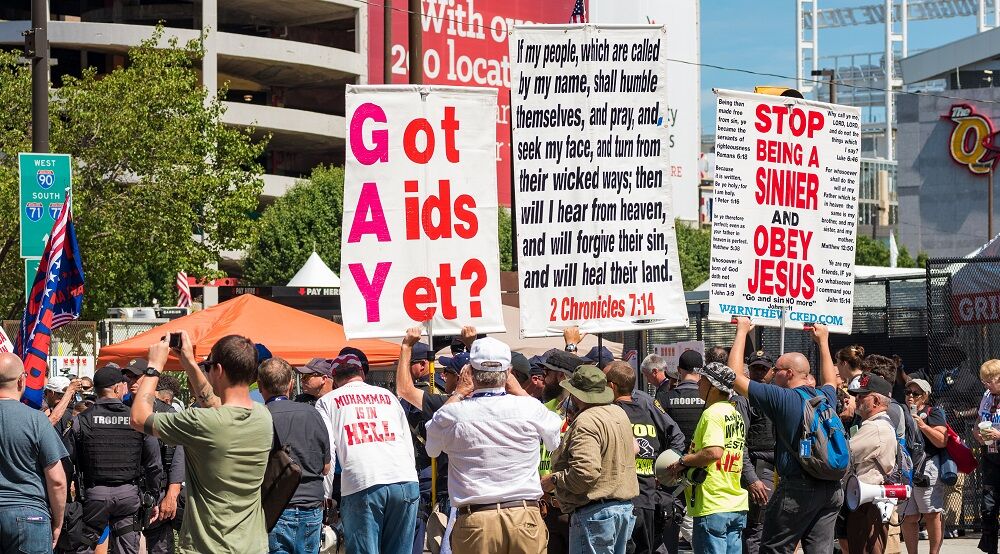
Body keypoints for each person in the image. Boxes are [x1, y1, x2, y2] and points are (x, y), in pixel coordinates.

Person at [130, 332, 273, 554]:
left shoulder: (202, 422)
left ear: (219, 370)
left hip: (208, 546)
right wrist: (189, 363)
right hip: (252, 545)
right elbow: (216, 405)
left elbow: (139, 418)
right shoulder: (263, 417)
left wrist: (154, 366)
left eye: (209, 367)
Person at [425, 337, 562, 553]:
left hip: (476, 520)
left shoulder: (453, 414)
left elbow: (431, 445)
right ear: (508, 373)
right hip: (524, 516)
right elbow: (554, 440)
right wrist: (520, 392)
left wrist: (458, 393)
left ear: (469, 372)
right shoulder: (529, 409)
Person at [721, 318, 843, 554]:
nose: (772, 374)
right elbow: (831, 380)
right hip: (831, 489)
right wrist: (823, 342)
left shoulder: (782, 398)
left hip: (798, 489)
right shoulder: (823, 397)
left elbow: (734, 376)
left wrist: (742, 331)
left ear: (788, 374)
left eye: (776, 370)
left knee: (773, 549)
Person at [316, 353, 419, 554]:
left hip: (362, 482)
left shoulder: (327, 401)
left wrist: (327, 495)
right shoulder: (387, 396)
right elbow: (407, 443)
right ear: (361, 373)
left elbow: (328, 451)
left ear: (334, 379)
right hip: (404, 479)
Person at [542, 364, 639, 554]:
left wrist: (554, 480)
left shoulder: (587, 421)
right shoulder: (618, 413)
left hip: (595, 514)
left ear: (577, 393)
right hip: (622, 509)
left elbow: (585, 473)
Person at [395, 328, 475, 554]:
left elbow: (404, 389)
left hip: (454, 494)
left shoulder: (446, 407)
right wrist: (473, 345)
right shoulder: (501, 405)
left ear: (461, 377)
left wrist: (406, 347)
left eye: (448, 372)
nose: (442, 376)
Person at [67, 364, 162, 554]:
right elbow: (153, 463)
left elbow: (68, 461)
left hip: (94, 496)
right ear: (118, 388)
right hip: (128, 495)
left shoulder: (81, 420)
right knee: (128, 548)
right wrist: (153, 496)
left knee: (84, 545)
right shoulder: (136, 419)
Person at [663, 361, 748, 554]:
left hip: (713, 504)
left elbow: (713, 452)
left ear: (713, 386)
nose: (698, 384)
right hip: (735, 502)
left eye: (702, 380)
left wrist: (682, 462)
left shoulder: (712, 413)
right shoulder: (734, 413)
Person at [606, 360, 685, 554]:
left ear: (612, 386)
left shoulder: (613, 414)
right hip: (646, 500)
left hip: (625, 501)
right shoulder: (644, 411)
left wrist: (667, 471)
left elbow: (676, 435)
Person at [258, 357, 332, 554]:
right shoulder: (312, 413)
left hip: (275, 508)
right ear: (291, 384)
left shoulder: (259, 417)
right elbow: (326, 467)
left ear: (259, 386)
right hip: (311, 507)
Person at [0, 352, 67, 553]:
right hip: (29, 515)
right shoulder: (37, 420)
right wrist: (58, 520)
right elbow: (57, 480)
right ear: (22, 380)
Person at [122, 359, 186, 554]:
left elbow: (179, 456)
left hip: (159, 491)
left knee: (161, 548)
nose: (132, 381)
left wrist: (172, 495)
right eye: (129, 376)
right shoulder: (120, 409)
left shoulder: (167, 412)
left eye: (137, 376)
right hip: (129, 492)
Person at [843, 373, 898, 554]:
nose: (856, 400)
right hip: (868, 499)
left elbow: (844, 453)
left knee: (866, 548)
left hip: (868, 501)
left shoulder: (875, 427)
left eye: (861, 396)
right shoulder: (878, 423)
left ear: (875, 401)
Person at [900, 378, 947, 554]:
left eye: (916, 393)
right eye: (908, 392)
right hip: (905, 467)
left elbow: (942, 441)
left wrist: (922, 425)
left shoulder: (932, 412)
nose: (910, 396)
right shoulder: (901, 411)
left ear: (925, 396)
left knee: (931, 513)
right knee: (909, 515)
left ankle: (933, 552)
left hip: (927, 466)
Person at [736, 351, 777, 554]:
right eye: (755, 368)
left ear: (772, 372)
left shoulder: (779, 395)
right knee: (756, 528)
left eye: (764, 368)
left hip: (781, 471)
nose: (760, 372)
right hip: (759, 470)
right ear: (748, 370)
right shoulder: (744, 399)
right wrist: (751, 478)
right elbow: (739, 443)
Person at [974, 359, 1000, 554]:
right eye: (984, 381)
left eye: (990, 381)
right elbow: (979, 419)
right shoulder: (987, 396)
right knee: (988, 505)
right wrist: (977, 432)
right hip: (990, 456)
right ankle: (990, 548)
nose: (987, 385)